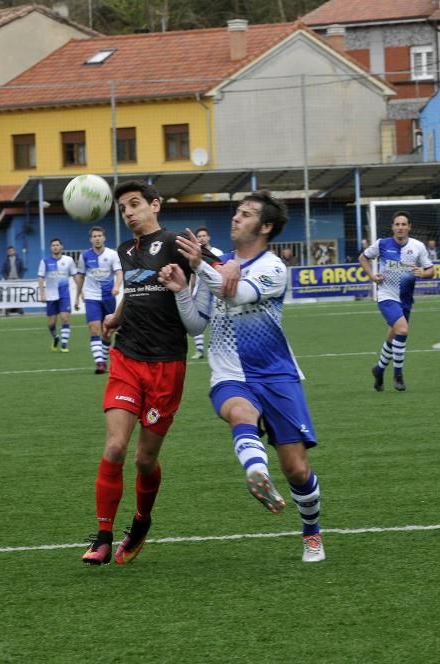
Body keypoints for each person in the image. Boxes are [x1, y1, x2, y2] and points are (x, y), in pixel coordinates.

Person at [159, 191, 325, 563]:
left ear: (265, 227)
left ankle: (312, 533)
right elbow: (195, 325)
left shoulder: (274, 268)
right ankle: (255, 471)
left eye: (246, 214)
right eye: (237, 211)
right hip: (230, 373)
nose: (236, 218)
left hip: (277, 374)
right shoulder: (218, 264)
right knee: (238, 412)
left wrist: (203, 266)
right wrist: (182, 291)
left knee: (297, 469)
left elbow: (238, 295)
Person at [81, 180, 223, 566]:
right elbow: (134, 288)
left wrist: (203, 267)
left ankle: (141, 522)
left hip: (167, 364)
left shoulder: (177, 241)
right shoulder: (126, 250)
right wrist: (115, 316)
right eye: (122, 208)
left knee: (145, 460)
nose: (127, 212)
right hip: (127, 357)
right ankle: (103, 536)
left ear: (155, 205)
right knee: (114, 447)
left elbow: (224, 267)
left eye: (134, 204)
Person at [358, 211, 434, 392]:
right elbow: (363, 258)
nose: (400, 227)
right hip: (386, 296)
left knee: (394, 337)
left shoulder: (418, 247)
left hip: (406, 300)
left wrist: (423, 273)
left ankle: (379, 370)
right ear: (392, 227)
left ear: (409, 227)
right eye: (397, 224)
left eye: (404, 224)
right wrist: (371, 275)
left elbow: (431, 270)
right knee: (403, 330)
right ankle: (398, 374)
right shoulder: (382, 244)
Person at [75, 226, 123, 371]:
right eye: (94, 236)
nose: (97, 238)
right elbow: (80, 277)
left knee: (107, 332)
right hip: (91, 297)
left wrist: (116, 287)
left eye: (99, 235)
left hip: (109, 297)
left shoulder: (112, 254)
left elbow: (119, 273)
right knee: (94, 328)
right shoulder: (85, 256)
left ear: (104, 238)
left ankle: (103, 357)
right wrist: (77, 296)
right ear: (91, 239)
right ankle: (100, 363)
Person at [37, 238, 78, 353]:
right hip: (51, 295)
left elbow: (75, 275)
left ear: (61, 247)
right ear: (51, 248)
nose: (55, 247)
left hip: (64, 295)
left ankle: (64, 345)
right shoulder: (45, 261)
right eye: (53, 245)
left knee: (65, 318)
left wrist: (81, 292)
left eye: (57, 245)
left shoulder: (69, 260)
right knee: (51, 323)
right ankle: (55, 337)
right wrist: (42, 293)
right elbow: (40, 277)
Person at [190, 227, 222, 360]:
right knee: (197, 321)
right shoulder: (194, 253)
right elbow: (192, 275)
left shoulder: (217, 252)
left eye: (204, 235)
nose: (202, 238)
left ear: (208, 237)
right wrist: (190, 291)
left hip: (216, 293)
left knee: (217, 320)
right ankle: (199, 350)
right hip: (200, 292)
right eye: (199, 236)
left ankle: (214, 347)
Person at [1, 245, 26, 315]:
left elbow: (22, 269)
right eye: (9, 251)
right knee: (9, 295)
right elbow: (2, 271)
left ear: (14, 251)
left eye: (12, 250)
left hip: (17, 279)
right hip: (9, 280)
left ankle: (19, 309)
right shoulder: (6, 261)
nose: (11, 252)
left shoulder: (19, 260)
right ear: (7, 252)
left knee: (18, 294)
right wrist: (6, 278)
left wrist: (20, 277)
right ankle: (8, 309)